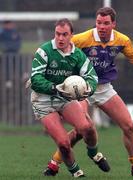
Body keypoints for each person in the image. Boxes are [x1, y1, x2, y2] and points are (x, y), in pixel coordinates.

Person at [44, 7, 133, 177]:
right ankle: (54, 163)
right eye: (99, 22)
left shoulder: (122, 40)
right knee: (81, 129)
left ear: (113, 24)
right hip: (82, 88)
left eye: (106, 23)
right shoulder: (83, 39)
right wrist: (42, 73)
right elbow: (56, 48)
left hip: (103, 88)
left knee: (129, 125)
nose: (101, 26)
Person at [30, 18, 110, 178]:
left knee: (87, 127)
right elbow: (35, 78)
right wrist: (54, 87)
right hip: (43, 100)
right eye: (57, 34)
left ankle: (94, 153)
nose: (60, 38)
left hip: (65, 98)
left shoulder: (77, 55)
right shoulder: (45, 51)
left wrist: (89, 88)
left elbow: (91, 76)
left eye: (64, 34)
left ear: (71, 35)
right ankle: (77, 173)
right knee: (64, 144)